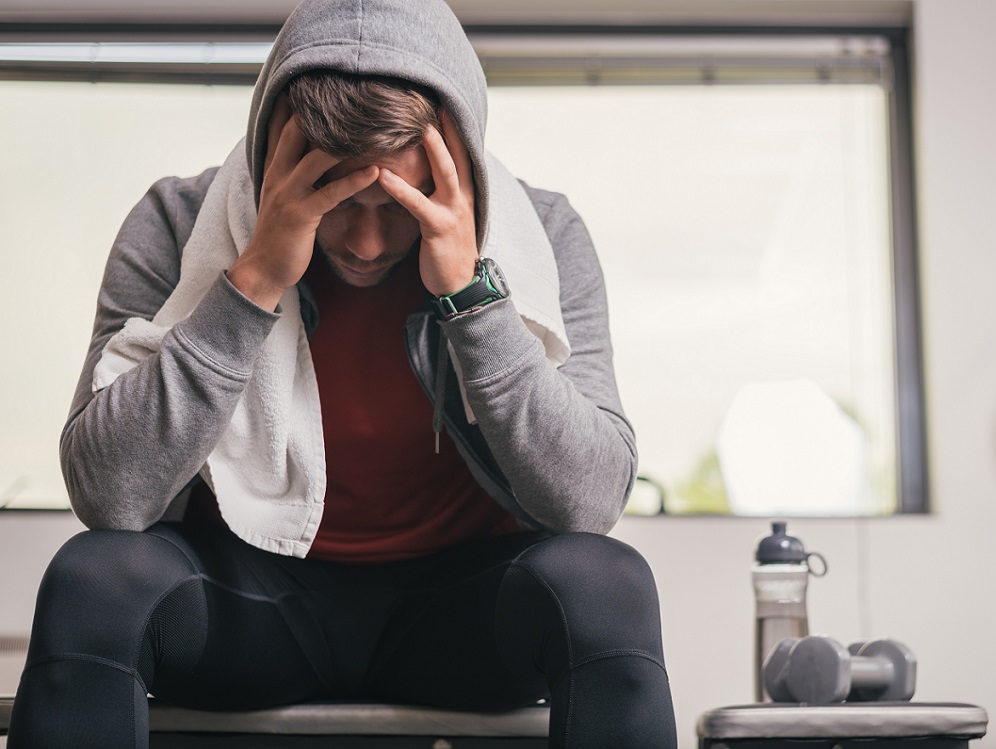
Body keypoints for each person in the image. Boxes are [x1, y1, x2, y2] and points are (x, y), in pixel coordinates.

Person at [6, 0, 677, 747]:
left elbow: (589, 500)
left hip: (458, 611)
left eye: (400, 205)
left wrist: (472, 296)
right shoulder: (176, 221)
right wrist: (252, 280)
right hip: (248, 604)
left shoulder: (542, 237)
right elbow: (108, 496)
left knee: (606, 583)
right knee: (93, 578)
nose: (364, 240)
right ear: (274, 163)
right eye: (334, 200)